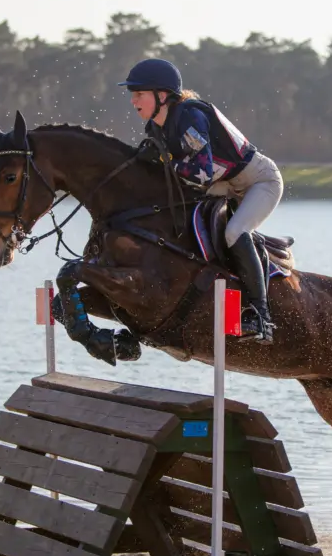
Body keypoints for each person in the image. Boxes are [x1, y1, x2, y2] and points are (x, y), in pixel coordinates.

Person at [118, 58, 283, 344]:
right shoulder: (155, 129)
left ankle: (261, 316)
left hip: (259, 181)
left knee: (234, 232)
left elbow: (202, 173)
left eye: (139, 94)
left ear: (162, 95)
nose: (133, 101)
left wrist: (164, 161)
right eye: (132, 94)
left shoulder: (189, 116)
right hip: (223, 185)